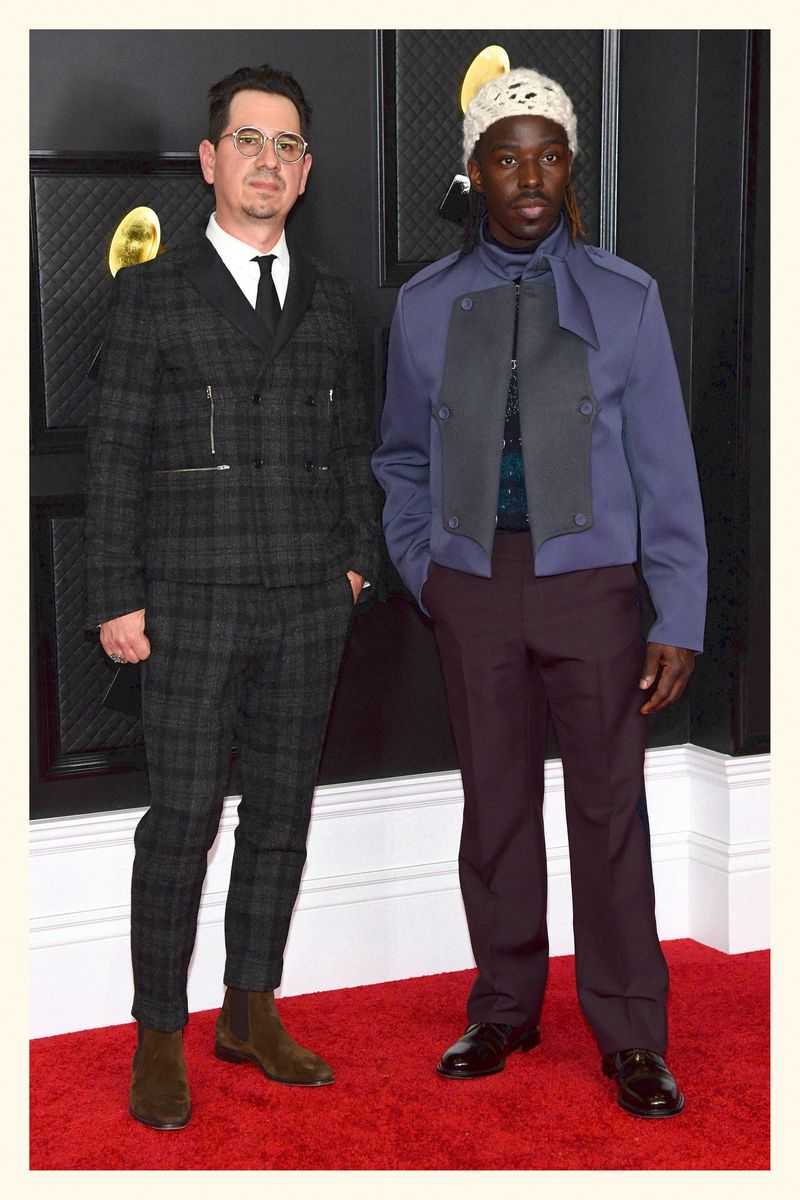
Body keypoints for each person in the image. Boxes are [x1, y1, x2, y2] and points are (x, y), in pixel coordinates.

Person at [372, 67, 707, 1118]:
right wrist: (426, 567)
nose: (529, 178)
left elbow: (666, 465)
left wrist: (677, 611)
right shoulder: (423, 305)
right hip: (472, 589)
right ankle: (505, 1005)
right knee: (495, 804)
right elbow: (399, 458)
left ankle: (631, 1030)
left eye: (548, 157)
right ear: (473, 173)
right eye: (507, 159)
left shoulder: (626, 295)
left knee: (608, 809)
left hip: (593, 589)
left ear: (570, 171)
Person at [85, 63, 380, 1130]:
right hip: (189, 605)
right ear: (210, 161)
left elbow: (354, 447)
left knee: (282, 814)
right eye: (248, 141)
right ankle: (159, 1034)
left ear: (305, 171)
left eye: (286, 146)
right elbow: (113, 457)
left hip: (308, 601)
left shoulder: (332, 298)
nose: (268, 161)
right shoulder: (151, 294)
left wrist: (355, 563)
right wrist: (115, 596)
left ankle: (251, 1010)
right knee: (181, 822)